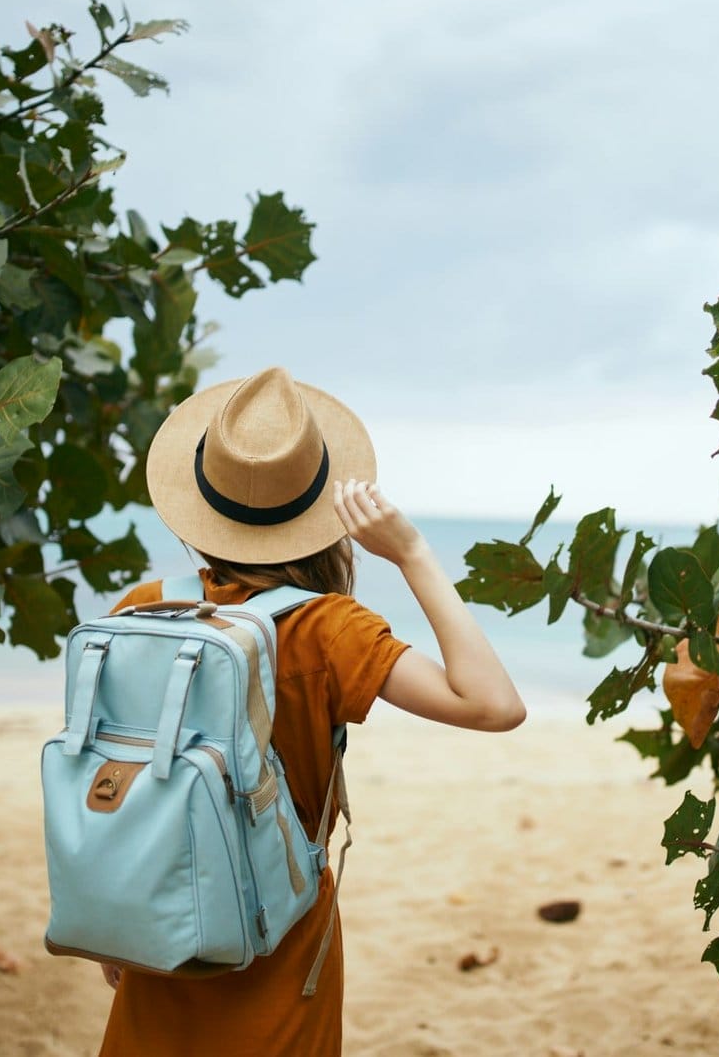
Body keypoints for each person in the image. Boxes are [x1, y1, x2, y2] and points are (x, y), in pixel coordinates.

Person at [95, 366, 526, 1056]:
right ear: (320, 508)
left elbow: (112, 769)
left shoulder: (145, 607)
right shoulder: (330, 629)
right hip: (277, 928)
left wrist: (110, 925)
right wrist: (412, 553)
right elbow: (494, 705)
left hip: (153, 904)